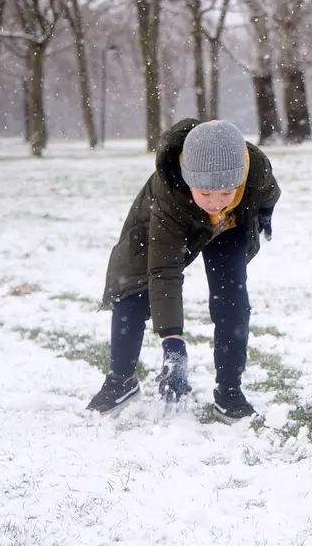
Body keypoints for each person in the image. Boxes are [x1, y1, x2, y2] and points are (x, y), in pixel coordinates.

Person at [88, 119, 280, 422]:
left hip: (230, 229)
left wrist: (265, 214)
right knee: (132, 288)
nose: (215, 203)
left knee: (232, 299)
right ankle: (120, 380)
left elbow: (270, 192)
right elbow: (165, 271)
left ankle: (229, 391)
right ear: (189, 178)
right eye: (205, 193)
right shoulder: (169, 193)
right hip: (171, 219)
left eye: (226, 192)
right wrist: (173, 344)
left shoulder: (256, 168)